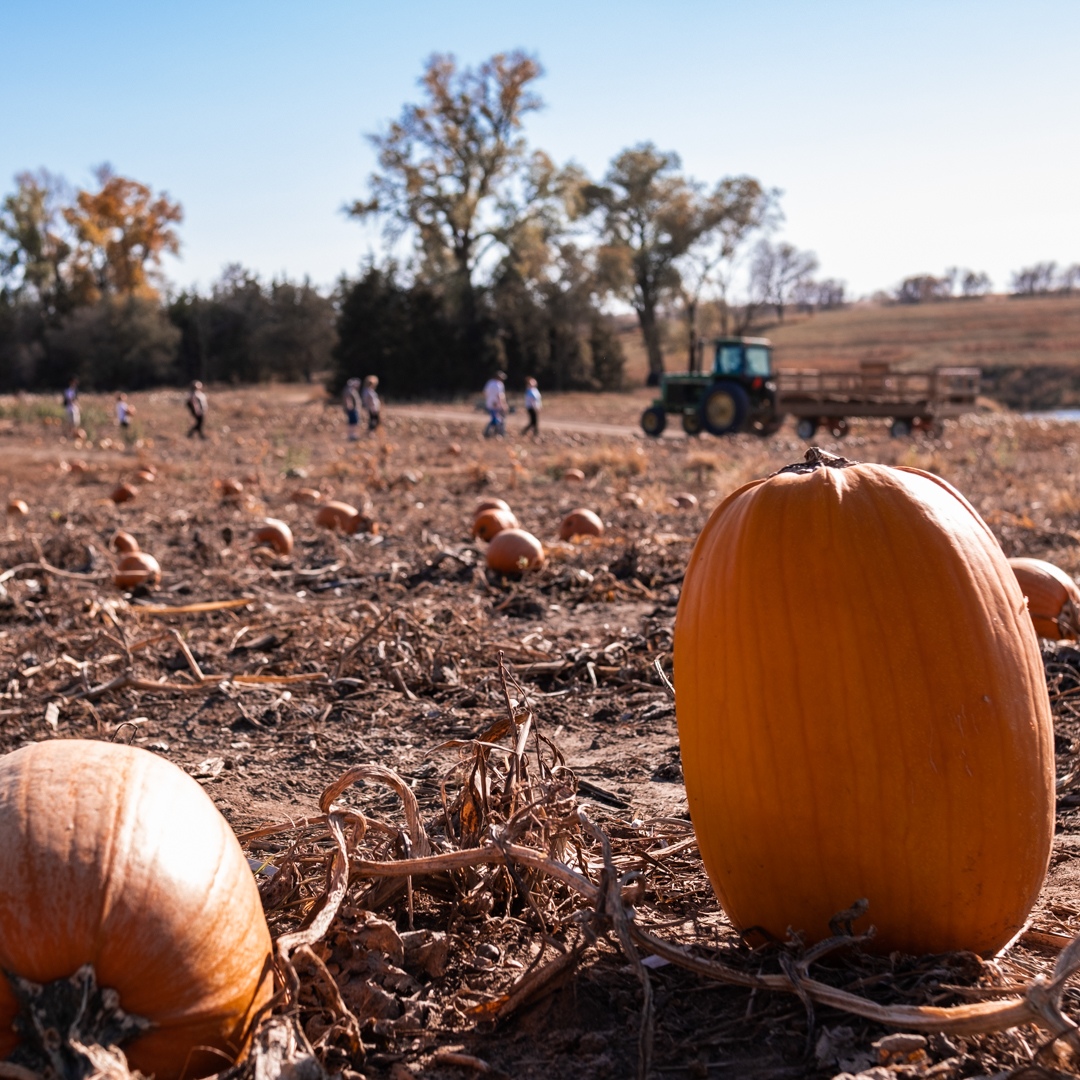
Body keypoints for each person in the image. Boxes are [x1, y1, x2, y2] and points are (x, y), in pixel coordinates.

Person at [483, 371, 507, 438]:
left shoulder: (489, 382)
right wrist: (503, 405)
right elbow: (500, 396)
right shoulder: (499, 384)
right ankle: (499, 433)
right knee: (499, 419)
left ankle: (490, 433)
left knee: (495, 419)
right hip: (497, 405)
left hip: (490, 404)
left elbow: (485, 392)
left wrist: (490, 400)